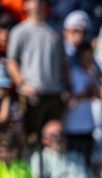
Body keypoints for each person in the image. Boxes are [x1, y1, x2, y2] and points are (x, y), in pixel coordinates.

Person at [6, 0, 69, 144]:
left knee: (53, 140)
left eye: (39, 2)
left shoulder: (55, 31)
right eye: (32, 2)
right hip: (32, 94)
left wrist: (67, 87)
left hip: (54, 93)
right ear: (26, 5)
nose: (36, 5)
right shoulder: (19, 31)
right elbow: (11, 62)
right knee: (31, 139)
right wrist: (23, 84)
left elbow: (63, 62)